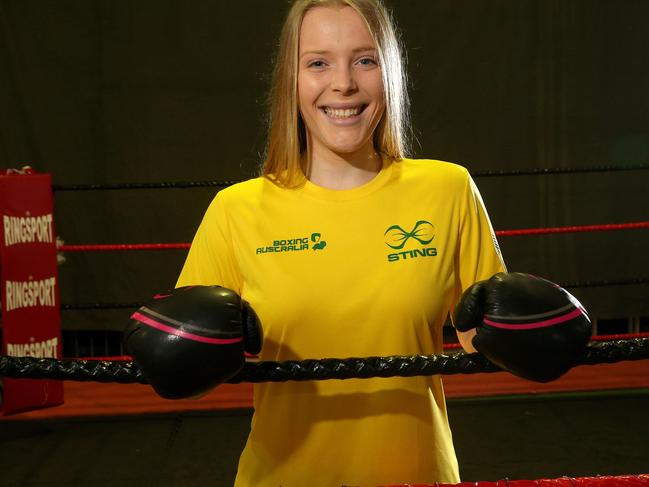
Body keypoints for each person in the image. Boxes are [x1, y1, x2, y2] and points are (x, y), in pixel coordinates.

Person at [176, 0, 505, 485]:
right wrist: (183, 348)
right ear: (292, 80)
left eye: (365, 60)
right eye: (318, 62)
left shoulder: (447, 190)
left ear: (388, 71)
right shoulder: (236, 211)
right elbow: (185, 358)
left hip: (416, 474)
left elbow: (488, 340)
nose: (344, 83)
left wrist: (534, 334)